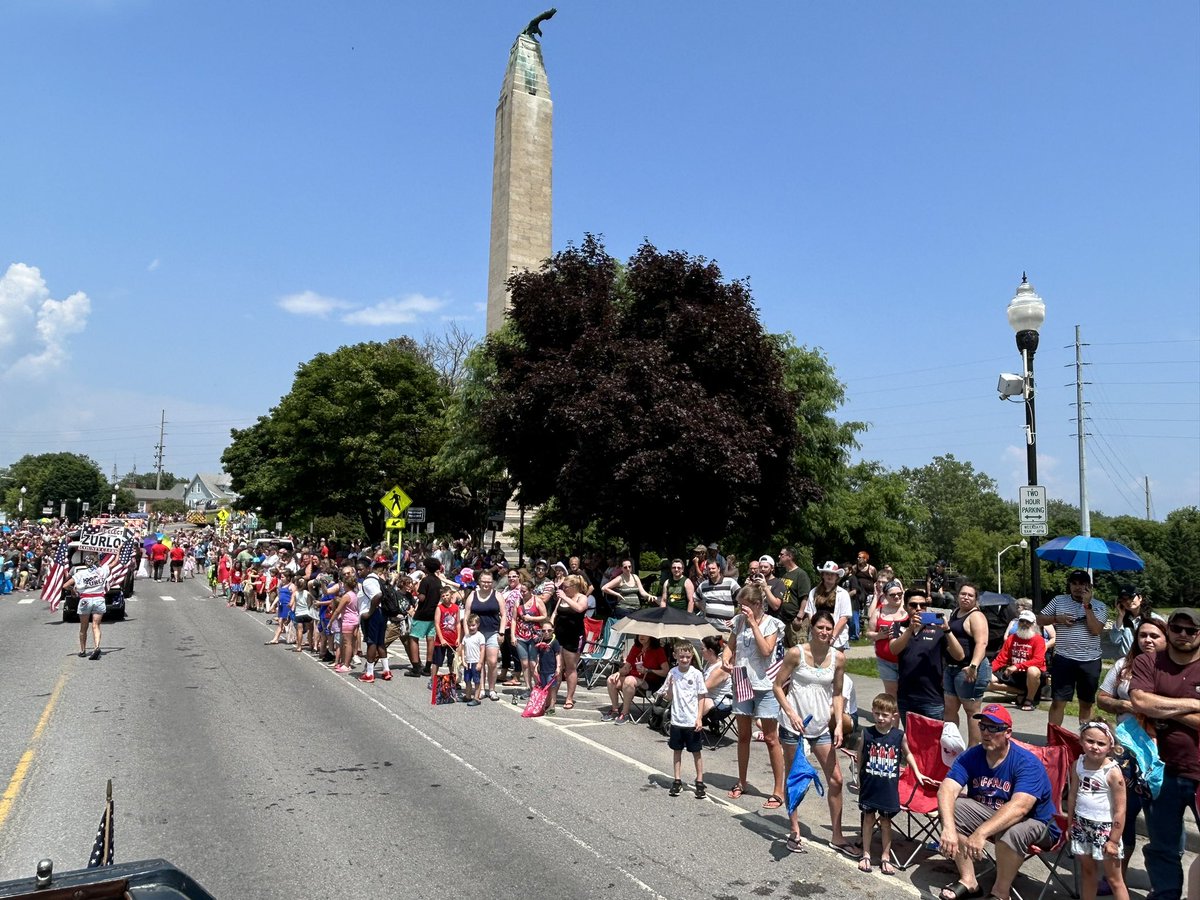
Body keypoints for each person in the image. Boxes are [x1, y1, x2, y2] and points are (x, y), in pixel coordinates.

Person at [934, 704, 1059, 900]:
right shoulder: (972, 756)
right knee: (952, 809)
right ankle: (969, 882)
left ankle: (1000, 892)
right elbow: (946, 789)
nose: (985, 732)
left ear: (1008, 732)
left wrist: (981, 833)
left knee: (1013, 832)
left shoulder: (1026, 762)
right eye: (982, 726)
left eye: (993, 728)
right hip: (993, 812)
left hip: (1037, 823)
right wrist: (948, 828)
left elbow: (1020, 807)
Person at [1129, 607, 1200, 900]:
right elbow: (1140, 701)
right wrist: (1194, 705)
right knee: (1162, 846)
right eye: (1177, 628)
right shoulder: (1149, 661)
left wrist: (1165, 707)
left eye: (1191, 630)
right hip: (1159, 771)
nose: (1183, 634)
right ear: (1169, 629)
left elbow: (1151, 704)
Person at [772, 609, 852, 855]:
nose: (825, 632)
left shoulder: (838, 658)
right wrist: (791, 714)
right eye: (821, 628)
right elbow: (777, 686)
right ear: (812, 628)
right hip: (794, 726)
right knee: (795, 778)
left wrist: (838, 723)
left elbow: (837, 694)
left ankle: (837, 835)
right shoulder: (796, 654)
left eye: (829, 629)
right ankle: (794, 830)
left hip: (819, 727)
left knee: (836, 779)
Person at [1097, 616, 1167, 870]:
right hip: (1128, 751)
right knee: (1123, 813)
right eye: (1142, 635)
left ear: (1166, 639)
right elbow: (1102, 698)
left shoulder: (1173, 669)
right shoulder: (1123, 665)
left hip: (1162, 751)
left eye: (1154, 636)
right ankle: (1117, 876)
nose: (1147, 640)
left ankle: (1162, 883)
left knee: (1162, 818)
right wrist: (1124, 704)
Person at [725, 582, 786, 810]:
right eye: (740, 605)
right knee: (743, 736)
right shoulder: (738, 622)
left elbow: (766, 650)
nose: (742, 610)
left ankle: (778, 790)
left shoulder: (773, 624)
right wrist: (725, 658)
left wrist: (753, 623)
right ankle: (742, 781)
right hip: (742, 680)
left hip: (766, 684)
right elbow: (731, 646)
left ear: (758, 604)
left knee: (771, 738)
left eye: (746, 605)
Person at [856, 692, 930, 875]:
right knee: (867, 820)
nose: (880, 718)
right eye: (876, 713)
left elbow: (909, 754)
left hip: (888, 788)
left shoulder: (899, 736)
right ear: (872, 712)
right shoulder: (867, 733)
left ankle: (885, 856)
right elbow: (860, 756)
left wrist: (917, 773)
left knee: (886, 822)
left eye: (885, 714)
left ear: (894, 716)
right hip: (870, 785)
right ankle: (865, 854)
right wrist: (858, 777)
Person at [1067, 721, 1130, 900]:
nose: (1094, 747)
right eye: (1090, 741)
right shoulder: (1077, 764)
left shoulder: (1113, 772)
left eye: (1101, 743)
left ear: (1111, 746)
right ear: (1081, 741)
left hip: (1105, 829)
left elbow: (1120, 809)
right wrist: (1070, 823)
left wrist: (1114, 840)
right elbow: (1072, 795)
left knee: (1114, 879)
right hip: (1081, 825)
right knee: (1087, 873)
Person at [1038, 569, 1108, 727]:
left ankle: (1086, 741)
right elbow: (1039, 619)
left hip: (1090, 661)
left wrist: (1087, 606)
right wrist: (1058, 619)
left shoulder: (1100, 606)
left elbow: (1096, 630)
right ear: (1069, 585)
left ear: (1089, 586)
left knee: (1086, 703)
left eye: (1082, 584)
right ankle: (1054, 741)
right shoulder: (1058, 601)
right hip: (1064, 659)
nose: (1077, 587)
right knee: (1058, 701)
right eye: (1074, 583)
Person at [889, 588, 964, 724]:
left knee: (933, 742)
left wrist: (947, 630)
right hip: (906, 697)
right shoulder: (898, 626)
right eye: (913, 605)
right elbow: (894, 649)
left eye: (923, 605)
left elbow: (959, 655)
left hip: (932, 698)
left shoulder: (937, 627)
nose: (918, 609)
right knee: (911, 741)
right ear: (906, 607)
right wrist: (910, 630)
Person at [943, 583, 992, 747]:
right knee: (949, 709)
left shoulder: (976, 616)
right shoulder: (956, 612)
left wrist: (973, 666)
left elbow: (982, 643)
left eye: (970, 595)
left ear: (976, 599)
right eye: (963, 594)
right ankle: (951, 747)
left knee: (972, 711)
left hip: (968, 670)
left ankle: (973, 750)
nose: (966, 597)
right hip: (951, 668)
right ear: (957, 596)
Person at [662, 641, 708, 798]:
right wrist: (669, 686)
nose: (684, 660)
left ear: (692, 657)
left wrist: (699, 717)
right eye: (681, 656)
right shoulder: (673, 673)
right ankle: (677, 780)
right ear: (675, 656)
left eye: (687, 657)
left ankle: (699, 781)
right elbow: (668, 697)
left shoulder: (696, 674)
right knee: (677, 751)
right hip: (677, 719)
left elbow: (702, 696)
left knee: (696, 751)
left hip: (691, 719)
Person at [601, 633, 669, 725]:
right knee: (611, 679)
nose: (641, 636)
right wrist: (618, 673)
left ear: (651, 636)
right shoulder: (636, 648)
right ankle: (615, 710)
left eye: (645, 634)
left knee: (629, 680)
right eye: (639, 634)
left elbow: (665, 671)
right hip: (632, 679)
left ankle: (625, 714)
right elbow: (626, 667)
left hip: (649, 682)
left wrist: (648, 670)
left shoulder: (658, 650)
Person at [991, 610, 1048, 711]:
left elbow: (1038, 661)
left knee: (1032, 670)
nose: (1025, 624)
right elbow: (1001, 659)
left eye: (1028, 622)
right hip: (1015, 675)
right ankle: (1021, 691)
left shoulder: (1038, 639)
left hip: (1032, 676)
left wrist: (1017, 666)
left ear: (1033, 624)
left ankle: (1029, 699)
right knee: (987, 679)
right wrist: (988, 670)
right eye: (1022, 621)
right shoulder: (1012, 638)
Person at [464, 571, 506, 701]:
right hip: (476, 633)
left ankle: (492, 689)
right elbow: (466, 614)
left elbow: (504, 614)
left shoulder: (497, 595)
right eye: (484, 582)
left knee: (492, 662)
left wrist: (502, 632)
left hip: (493, 631)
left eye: (489, 582)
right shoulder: (473, 595)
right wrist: (466, 633)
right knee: (479, 662)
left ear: (492, 582)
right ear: (479, 582)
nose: (486, 584)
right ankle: (481, 688)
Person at [549, 574, 589, 710]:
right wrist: (550, 623)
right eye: (562, 587)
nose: (563, 589)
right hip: (559, 634)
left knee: (570, 667)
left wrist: (565, 597)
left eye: (565, 587)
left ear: (574, 587)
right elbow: (555, 613)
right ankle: (553, 697)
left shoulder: (581, 597)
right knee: (557, 667)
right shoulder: (562, 598)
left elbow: (579, 609)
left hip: (574, 636)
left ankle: (569, 698)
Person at [864, 579, 907, 697]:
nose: (897, 597)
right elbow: (868, 633)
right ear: (886, 596)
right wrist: (879, 636)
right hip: (885, 660)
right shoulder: (880, 610)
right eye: (892, 595)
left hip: (906, 659)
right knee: (891, 692)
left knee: (907, 691)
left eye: (899, 594)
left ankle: (906, 715)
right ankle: (893, 715)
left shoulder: (908, 609)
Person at [65, 552, 110, 660]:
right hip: (99, 599)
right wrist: (118, 551)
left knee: (83, 627)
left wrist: (74, 590)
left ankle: (82, 650)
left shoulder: (80, 574)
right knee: (96, 625)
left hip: (85, 599)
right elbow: (114, 562)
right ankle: (97, 647)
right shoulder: (102, 571)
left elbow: (65, 585)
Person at [802, 561, 853, 652]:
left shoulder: (843, 594)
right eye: (827, 574)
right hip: (817, 633)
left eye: (833, 574)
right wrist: (815, 631)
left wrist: (832, 637)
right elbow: (810, 613)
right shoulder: (814, 592)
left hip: (836, 636)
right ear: (823, 575)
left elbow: (844, 617)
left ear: (837, 576)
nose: (830, 576)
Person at [409, 557, 443, 676]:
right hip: (433, 613)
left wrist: (416, 590)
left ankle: (416, 667)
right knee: (430, 639)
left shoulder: (425, 580)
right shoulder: (438, 581)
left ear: (427, 568)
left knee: (413, 638)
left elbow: (422, 597)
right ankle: (428, 667)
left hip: (422, 613)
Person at [358, 562, 391, 682]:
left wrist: (370, 612)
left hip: (373, 614)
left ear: (368, 568)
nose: (358, 572)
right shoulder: (377, 579)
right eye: (357, 569)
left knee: (371, 642)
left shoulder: (368, 581)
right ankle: (386, 670)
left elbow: (377, 595)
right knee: (380, 642)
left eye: (361, 569)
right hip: (382, 613)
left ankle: (369, 673)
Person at [431, 583, 463, 690]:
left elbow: (458, 623)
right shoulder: (439, 608)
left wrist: (458, 637)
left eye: (447, 595)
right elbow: (436, 624)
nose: (445, 597)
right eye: (443, 596)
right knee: (437, 661)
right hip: (441, 639)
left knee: (452, 661)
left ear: (451, 595)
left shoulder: (456, 608)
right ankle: (433, 680)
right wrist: (441, 638)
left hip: (452, 638)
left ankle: (452, 680)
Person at [694, 560, 740, 627]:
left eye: (713, 568)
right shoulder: (703, 585)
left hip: (727, 629)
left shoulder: (730, 582)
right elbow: (695, 598)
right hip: (709, 628)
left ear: (718, 569)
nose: (711, 570)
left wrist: (736, 619)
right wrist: (704, 609)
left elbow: (744, 600)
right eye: (709, 569)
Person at [534, 621, 561, 715]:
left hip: (551, 669)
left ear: (552, 631)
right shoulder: (540, 641)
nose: (546, 632)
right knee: (544, 688)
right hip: (542, 670)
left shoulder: (554, 642)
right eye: (544, 630)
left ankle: (552, 705)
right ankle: (546, 704)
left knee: (552, 688)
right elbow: (538, 656)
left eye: (549, 630)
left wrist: (558, 667)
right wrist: (536, 667)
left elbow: (557, 655)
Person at [848, 551, 876, 641]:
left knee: (869, 613)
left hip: (870, 594)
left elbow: (875, 580)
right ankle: (859, 632)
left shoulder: (871, 569)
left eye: (860, 557)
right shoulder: (855, 568)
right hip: (859, 594)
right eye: (858, 557)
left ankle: (869, 631)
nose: (858, 559)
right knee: (859, 613)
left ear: (865, 559)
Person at [460, 614, 485, 706]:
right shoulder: (466, 637)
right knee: (467, 680)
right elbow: (462, 649)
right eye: (469, 625)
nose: (471, 627)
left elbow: (482, 650)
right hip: (468, 662)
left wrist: (480, 662)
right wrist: (463, 660)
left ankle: (476, 698)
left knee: (476, 680)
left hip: (475, 661)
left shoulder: (480, 636)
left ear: (478, 624)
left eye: (473, 625)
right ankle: (468, 696)